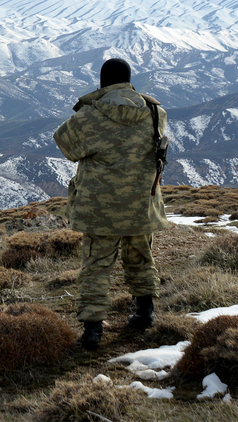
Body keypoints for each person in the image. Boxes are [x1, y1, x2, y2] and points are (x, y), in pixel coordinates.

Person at [52, 58, 168, 350]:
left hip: (99, 208)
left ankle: (93, 331)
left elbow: (65, 144)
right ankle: (145, 312)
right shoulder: (155, 112)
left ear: (103, 82)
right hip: (141, 203)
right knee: (141, 257)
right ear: (129, 80)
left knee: (96, 266)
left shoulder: (90, 116)